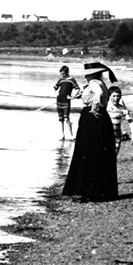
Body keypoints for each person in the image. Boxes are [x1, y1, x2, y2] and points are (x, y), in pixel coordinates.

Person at [60, 62, 119, 202]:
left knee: (87, 151)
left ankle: (87, 191)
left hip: (92, 119)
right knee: (96, 152)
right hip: (101, 118)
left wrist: (94, 108)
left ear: (92, 74)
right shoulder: (100, 83)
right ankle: (96, 191)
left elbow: (98, 95)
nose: (85, 76)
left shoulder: (94, 83)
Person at [53, 65, 79, 140]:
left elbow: (77, 89)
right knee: (61, 119)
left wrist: (73, 97)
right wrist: (56, 94)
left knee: (66, 118)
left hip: (66, 101)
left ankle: (71, 135)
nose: (62, 75)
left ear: (67, 72)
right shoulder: (60, 80)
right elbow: (55, 88)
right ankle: (62, 135)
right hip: (59, 100)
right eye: (61, 73)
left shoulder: (72, 80)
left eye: (63, 73)